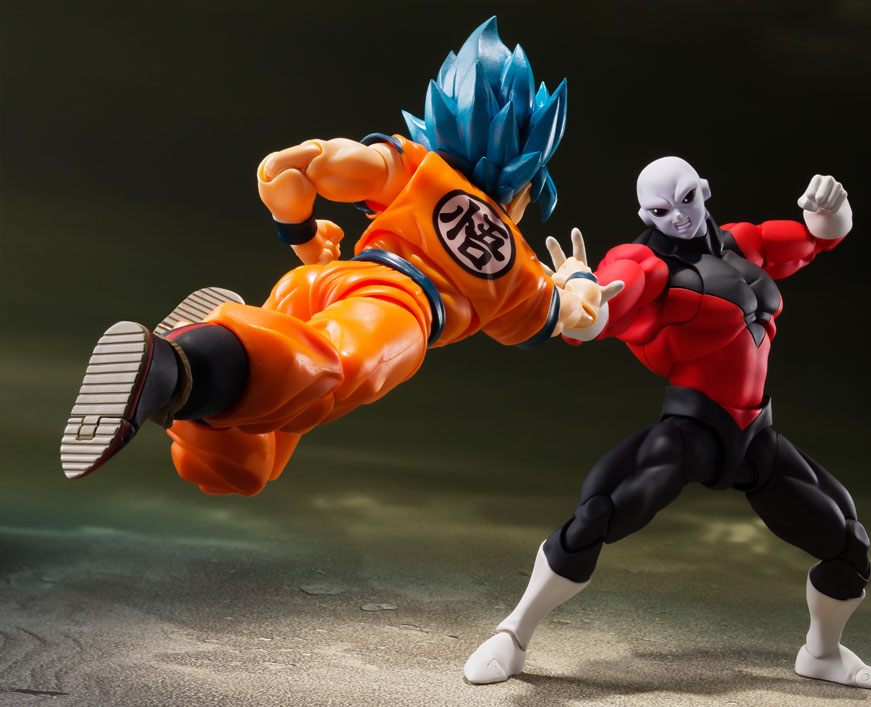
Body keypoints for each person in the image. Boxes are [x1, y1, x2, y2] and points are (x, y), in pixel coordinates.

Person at [60, 17, 621, 496]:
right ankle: (174, 365)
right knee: (329, 371)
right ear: (525, 182)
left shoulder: (418, 167)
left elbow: (295, 167)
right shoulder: (519, 266)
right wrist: (578, 280)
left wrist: (302, 235)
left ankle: (201, 382)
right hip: (396, 309)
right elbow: (575, 316)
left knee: (249, 458)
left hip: (324, 283)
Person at [464, 156, 871, 692]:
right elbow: (605, 307)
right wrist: (581, 297)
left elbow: (814, 240)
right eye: (661, 211)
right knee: (597, 515)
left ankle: (822, 653)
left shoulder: (745, 244)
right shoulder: (647, 263)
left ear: (704, 190)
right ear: (645, 214)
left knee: (848, 540)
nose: (678, 217)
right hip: (693, 430)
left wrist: (832, 210)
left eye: (687, 200)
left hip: (755, 435)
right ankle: (513, 633)